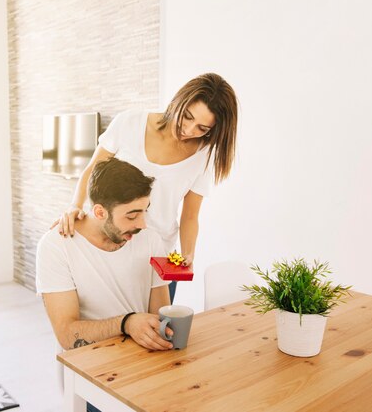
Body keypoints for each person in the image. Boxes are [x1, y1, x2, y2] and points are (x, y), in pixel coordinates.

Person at [52, 73, 239, 302]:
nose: (189, 130)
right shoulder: (130, 122)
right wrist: (75, 205)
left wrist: (188, 253)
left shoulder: (204, 155)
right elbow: (92, 169)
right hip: (111, 245)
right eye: (187, 116)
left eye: (202, 128)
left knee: (159, 331)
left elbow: (190, 216)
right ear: (178, 102)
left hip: (157, 255)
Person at [36, 157, 173, 352]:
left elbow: (161, 317)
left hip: (142, 358)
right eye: (132, 215)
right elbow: (67, 335)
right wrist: (126, 323)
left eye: (144, 212)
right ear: (100, 212)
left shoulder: (151, 240)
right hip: (88, 366)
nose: (142, 224)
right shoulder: (56, 246)